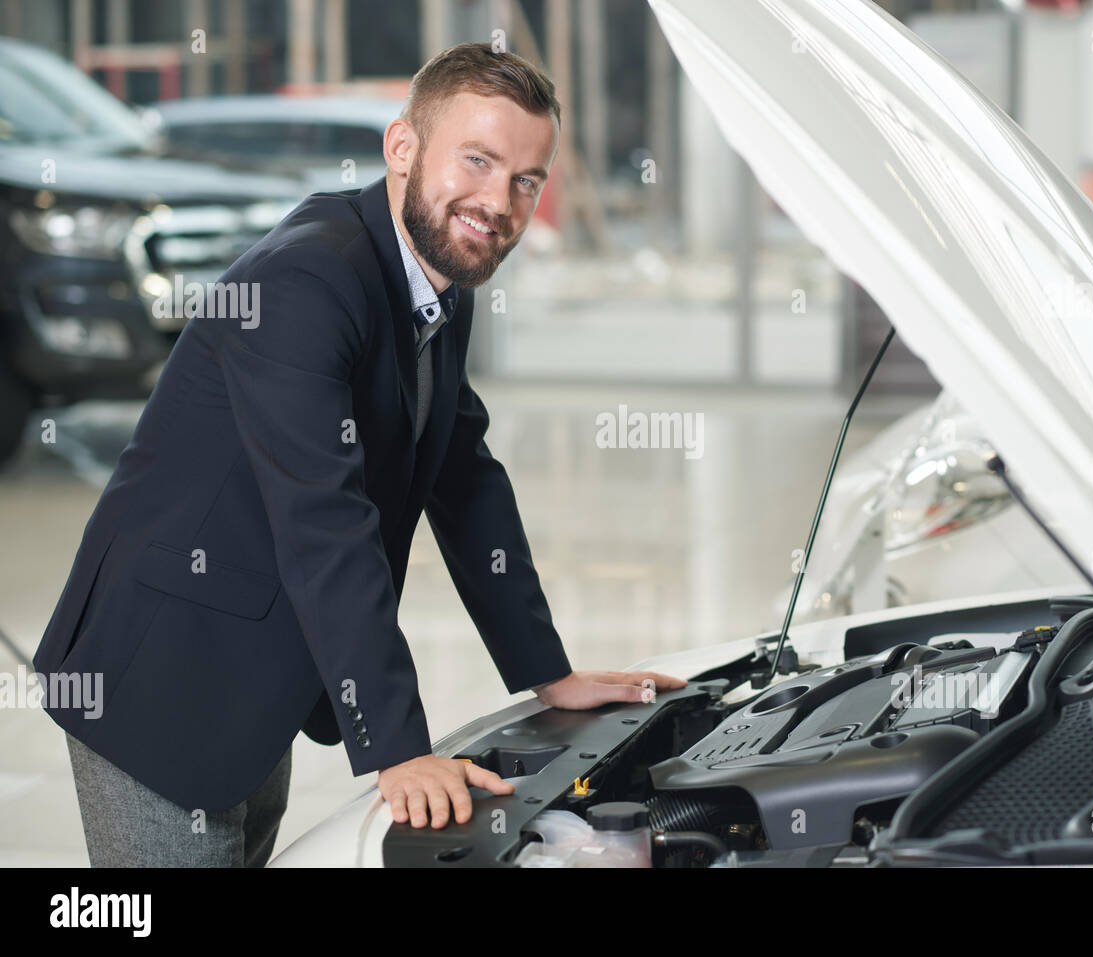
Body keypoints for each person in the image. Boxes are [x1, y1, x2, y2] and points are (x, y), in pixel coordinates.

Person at [33, 41, 686, 868]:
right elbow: (323, 518)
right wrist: (398, 747)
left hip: (264, 657)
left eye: (526, 179)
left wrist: (547, 673)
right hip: (160, 664)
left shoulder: (437, 270)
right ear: (402, 148)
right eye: (478, 160)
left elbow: (464, 474)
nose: (499, 201)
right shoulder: (304, 282)